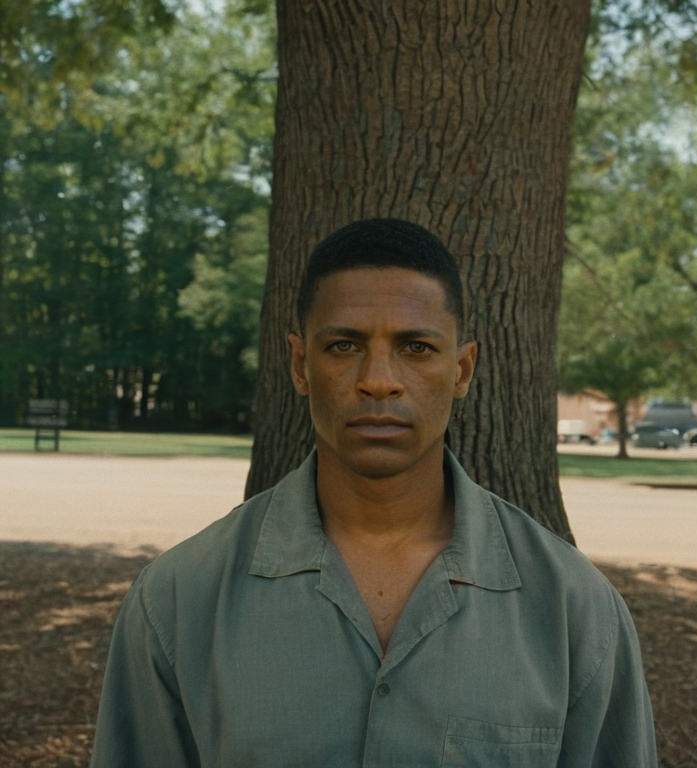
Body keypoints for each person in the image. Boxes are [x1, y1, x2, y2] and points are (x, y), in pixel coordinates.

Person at [91, 218, 657, 767]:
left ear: (461, 370)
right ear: (299, 364)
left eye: (415, 347)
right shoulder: (179, 601)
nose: (379, 378)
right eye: (343, 346)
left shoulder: (573, 610)